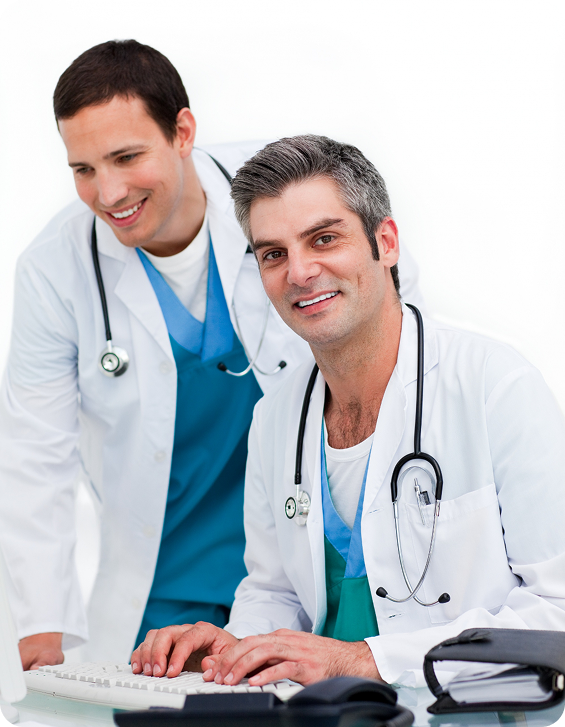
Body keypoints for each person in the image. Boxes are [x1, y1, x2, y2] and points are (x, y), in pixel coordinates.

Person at [0, 41, 425, 671]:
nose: (108, 191)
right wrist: (41, 629)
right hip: (166, 589)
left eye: (126, 157)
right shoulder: (55, 270)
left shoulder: (287, 203)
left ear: (183, 132)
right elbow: (35, 457)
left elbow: (396, 339)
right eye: (83, 168)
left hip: (312, 572)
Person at [132, 135, 565, 688]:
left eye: (324, 239)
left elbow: (556, 610)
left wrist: (362, 659)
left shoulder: (495, 387)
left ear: (386, 242)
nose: (299, 272)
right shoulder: (275, 419)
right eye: (273, 254)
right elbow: (274, 592)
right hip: (327, 714)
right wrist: (237, 648)